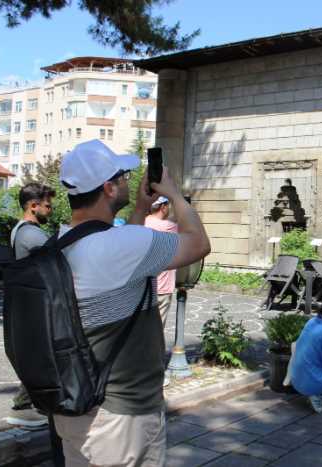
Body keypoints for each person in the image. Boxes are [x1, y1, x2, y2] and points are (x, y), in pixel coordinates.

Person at [52, 140, 211, 466]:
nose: (128, 180)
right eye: (122, 176)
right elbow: (198, 244)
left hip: (73, 405)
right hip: (123, 417)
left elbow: (120, 257)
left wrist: (139, 210)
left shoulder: (56, 245)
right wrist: (175, 194)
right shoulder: (124, 245)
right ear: (109, 188)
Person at [7, 183, 65, 467]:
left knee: (34, 355)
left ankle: (25, 399)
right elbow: (57, 260)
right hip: (38, 303)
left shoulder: (19, 230)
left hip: (28, 302)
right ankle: (31, 401)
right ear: (33, 206)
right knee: (42, 356)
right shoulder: (31, 234)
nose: (49, 210)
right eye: (47, 205)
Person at [144, 196, 178, 328]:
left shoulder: (141, 223)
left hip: (143, 287)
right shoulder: (169, 227)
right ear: (163, 207)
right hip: (162, 287)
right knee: (157, 329)